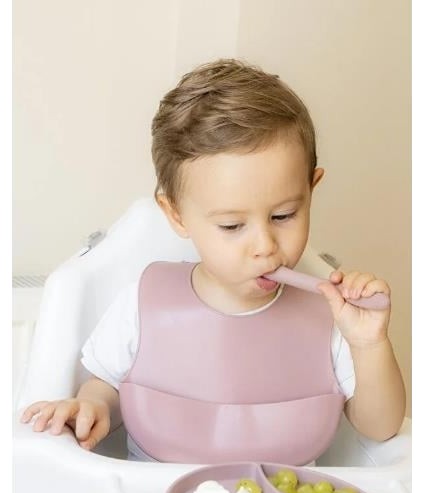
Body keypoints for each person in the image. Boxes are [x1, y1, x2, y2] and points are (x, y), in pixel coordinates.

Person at [20, 58, 406, 464]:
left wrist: (369, 344)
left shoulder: (328, 316)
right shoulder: (144, 303)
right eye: (232, 225)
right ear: (176, 215)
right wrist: (92, 407)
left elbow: (380, 428)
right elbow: (108, 387)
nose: (265, 246)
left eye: (283, 216)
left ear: (311, 190)